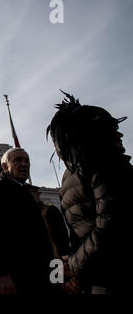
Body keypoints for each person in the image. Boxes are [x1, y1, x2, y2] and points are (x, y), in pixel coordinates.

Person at [47, 91, 133, 294]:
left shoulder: (70, 175)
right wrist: (76, 272)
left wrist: (77, 271)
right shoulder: (107, 163)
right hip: (111, 275)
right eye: (112, 130)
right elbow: (113, 223)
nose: (120, 135)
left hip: (94, 273)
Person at [0, 148, 57, 294]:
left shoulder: (27, 196)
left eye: (27, 160)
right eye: (17, 160)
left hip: (34, 281)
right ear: (4, 167)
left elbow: (44, 245)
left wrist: (57, 278)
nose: (24, 164)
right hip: (8, 284)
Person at [26, 185, 70, 260]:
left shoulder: (49, 210)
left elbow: (62, 235)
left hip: (55, 258)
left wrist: (65, 255)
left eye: (31, 194)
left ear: (38, 195)